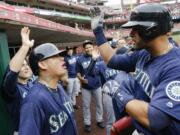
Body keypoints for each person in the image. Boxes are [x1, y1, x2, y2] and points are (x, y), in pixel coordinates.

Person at [91, 3, 180, 135]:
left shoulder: (175, 66)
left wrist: (119, 92)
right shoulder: (144, 52)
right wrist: (98, 31)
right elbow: (111, 59)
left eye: (136, 28)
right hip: (141, 127)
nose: (131, 33)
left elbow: (157, 119)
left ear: (151, 29)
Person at [19, 43, 78, 135]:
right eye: (55, 56)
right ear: (42, 64)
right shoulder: (33, 101)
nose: (62, 59)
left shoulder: (58, 87)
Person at [1, 27, 34, 134]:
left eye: (26, 64)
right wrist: (25, 47)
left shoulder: (32, 84)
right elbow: (11, 73)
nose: (25, 67)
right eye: (21, 65)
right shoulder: (12, 90)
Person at [76, 40, 104, 133]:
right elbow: (78, 72)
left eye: (89, 47)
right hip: (86, 87)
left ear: (92, 47)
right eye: (86, 47)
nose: (88, 49)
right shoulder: (80, 59)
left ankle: (99, 120)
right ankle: (87, 123)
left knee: (99, 104)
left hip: (97, 85)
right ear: (84, 49)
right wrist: (80, 79)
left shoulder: (98, 57)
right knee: (86, 106)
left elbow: (101, 71)